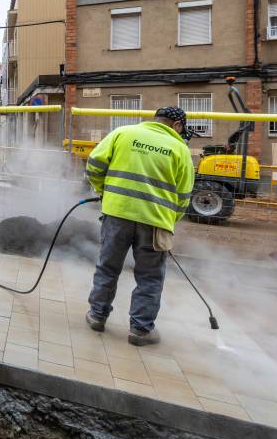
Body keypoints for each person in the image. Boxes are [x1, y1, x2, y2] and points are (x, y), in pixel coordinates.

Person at [83, 106, 195, 346]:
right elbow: (184, 195)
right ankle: (140, 330)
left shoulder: (123, 133)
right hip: (155, 222)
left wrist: (103, 191)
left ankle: (97, 316)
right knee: (150, 277)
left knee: (107, 267)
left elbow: (94, 164)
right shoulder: (180, 149)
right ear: (177, 125)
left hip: (117, 214)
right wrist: (169, 221)